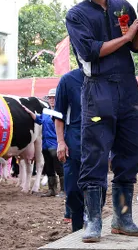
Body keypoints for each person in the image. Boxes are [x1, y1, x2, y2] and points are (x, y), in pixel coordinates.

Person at [64, 0, 138, 243]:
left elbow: (137, 48)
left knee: (130, 152)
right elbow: (90, 51)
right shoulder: (77, 15)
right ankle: (92, 221)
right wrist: (127, 39)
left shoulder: (122, 7)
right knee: (95, 154)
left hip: (127, 87)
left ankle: (123, 217)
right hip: (98, 88)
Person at [54, 68, 84, 232]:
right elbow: (59, 114)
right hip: (73, 138)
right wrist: (60, 141)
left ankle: (92, 221)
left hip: (98, 139)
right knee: (72, 189)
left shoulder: (105, 75)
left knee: (98, 187)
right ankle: (77, 227)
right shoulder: (68, 80)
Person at [22, 88, 64, 197]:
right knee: (49, 168)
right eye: (50, 98)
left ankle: (64, 190)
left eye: (54, 98)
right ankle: (52, 190)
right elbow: (39, 119)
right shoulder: (46, 111)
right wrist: (29, 112)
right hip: (45, 145)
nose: (52, 100)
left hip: (56, 144)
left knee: (60, 168)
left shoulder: (61, 112)